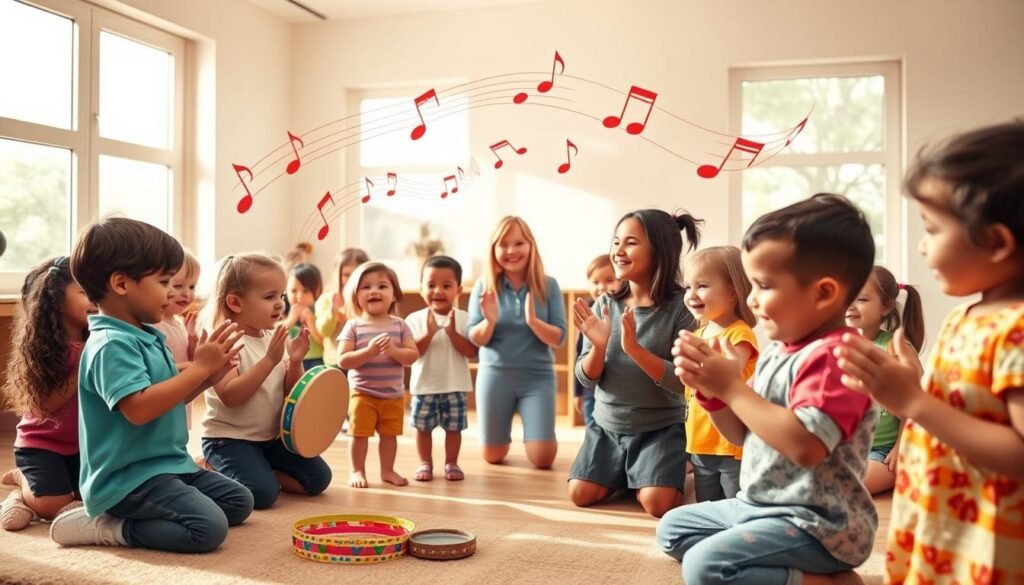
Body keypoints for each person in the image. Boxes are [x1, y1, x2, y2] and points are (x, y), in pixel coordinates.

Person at [836, 121, 1024, 583]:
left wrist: (913, 402)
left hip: (989, 541)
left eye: (933, 229)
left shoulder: (1018, 329)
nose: (922, 246)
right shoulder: (964, 316)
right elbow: (962, 409)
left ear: (997, 242)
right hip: (944, 520)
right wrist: (909, 387)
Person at [661, 193, 879, 585]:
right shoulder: (779, 351)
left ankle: (827, 581)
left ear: (824, 293)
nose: (751, 300)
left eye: (762, 286)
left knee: (704, 567)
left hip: (817, 521)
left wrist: (733, 387)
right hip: (758, 503)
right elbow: (740, 434)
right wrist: (715, 393)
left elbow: (805, 446)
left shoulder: (838, 358)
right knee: (673, 529)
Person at [49, 217, 253, 553]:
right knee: (208, 528)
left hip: (167, 464)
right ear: (121, 283)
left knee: (238, 502)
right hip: (127, 479)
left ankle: (147, 512)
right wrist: (200, 365)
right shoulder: (110, 344)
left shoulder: (147, 336)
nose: (172, 292)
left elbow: (168, 397)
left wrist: (207, 377)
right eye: (164, 282)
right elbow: (140, 409)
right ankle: (109, 526)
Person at [569, 209, 701, 518]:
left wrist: (634, 349)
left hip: (659, 428)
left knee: (658, 505)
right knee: (580, 494)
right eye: (616, 242)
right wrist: (599, 347)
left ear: (660, 251)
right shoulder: (604, 304)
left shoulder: (682, 309)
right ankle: (633, 474)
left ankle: (677, 469)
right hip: (607, 425)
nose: (618, 251)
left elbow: (684, 382)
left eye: (630, 243)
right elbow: (586, 378)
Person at [200, 254, 332, 509]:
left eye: (281, 296)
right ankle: (208, 467)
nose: (280, 304)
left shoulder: (273, 337)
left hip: (270, 439)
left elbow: (290, 394)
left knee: (318, 478)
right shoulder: (225, 342)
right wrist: (269, 361)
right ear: (235, 302)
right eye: (269, 297)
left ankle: (259, 472)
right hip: (229, 440)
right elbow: (230, 396)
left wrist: (294, 362)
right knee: (261, 496)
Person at [0, 257, 95, 530]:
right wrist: (82, 369)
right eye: (84, 292)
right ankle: (23, 483)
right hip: (41, 445)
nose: (95, 299)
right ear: (57, 299)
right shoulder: (43, 348)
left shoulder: (97, 339)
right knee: (54, 507)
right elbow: (45, 405)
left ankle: (34, 488)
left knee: (90, 498)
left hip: (83, 445)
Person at [468, 216, 566, 468]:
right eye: (503, 244)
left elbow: (559, 338)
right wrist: (489, 321)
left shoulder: (549, 285)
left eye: (519, 243)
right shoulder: (484, 286)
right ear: (494, 249)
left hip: (538, 377)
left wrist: (533, 321)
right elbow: (475, 338)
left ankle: (534, 433)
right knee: (492, 456)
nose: (511, 251)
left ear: (531, 245)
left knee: (543, 459)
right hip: (495, 375)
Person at [682, 246, 758, 502]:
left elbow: (731, 371)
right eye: (687, 287)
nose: (691, 294)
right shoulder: (696, 336)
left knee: (734, 502)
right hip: (699, 441)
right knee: (707, 504)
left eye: (701, 285)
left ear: (733, 292)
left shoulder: (740, 333)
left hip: (729, 444)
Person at [844, 265, 924, 494]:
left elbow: (915, 404)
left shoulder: (897, 349)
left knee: (847, 488)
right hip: (844, 449)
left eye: (860, 299)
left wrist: (901, 447)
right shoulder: (838, 346)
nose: (850, 305)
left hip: (883, 451)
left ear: (886, 305)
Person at [338, 262, 419, 488]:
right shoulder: (353, 326)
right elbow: (342, 359)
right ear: (355, 296)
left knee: (389, 436)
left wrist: (393, 351)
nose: (374, 291)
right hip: (362, 393)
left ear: (394, 295)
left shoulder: (400, 326)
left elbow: (412, 355)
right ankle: (357, 471)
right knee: (359, 435)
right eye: (365, 287)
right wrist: (369, 352)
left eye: (382, 286)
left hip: (393, 394)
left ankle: (387, 470)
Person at [406, 255, 478, 482]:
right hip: (423, 386)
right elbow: (410, 355)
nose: (438, 291)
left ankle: (451, 463)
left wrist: (452, 333)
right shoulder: (414, 319)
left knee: (454, 429)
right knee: (422, 429)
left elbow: (471, 352)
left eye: (446, 286)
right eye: (431, 285)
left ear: (458, 290)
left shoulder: (465, 318)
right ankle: (425, 463)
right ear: (420, 289)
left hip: (455, 385)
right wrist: (428, 333)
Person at [154, 249, 202, 428]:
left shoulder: (180, 322)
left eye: (192, 286)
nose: (187, 294)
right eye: (178, 285)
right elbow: (156, 370)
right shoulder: (154, 325)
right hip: (162, 399)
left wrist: (192, 340)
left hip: (181, 397)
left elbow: (191, 359)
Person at [573, 254, 621, 425]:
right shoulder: (586, 310)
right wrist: (577, 392)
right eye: (595, 282)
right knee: (592, 432)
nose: (602, 287)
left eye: (609, 280)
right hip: (589, 390)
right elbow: (579, 353)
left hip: (613, 391)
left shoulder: (625, 309)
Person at [316, 248, 369, 368]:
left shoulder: (367, 299)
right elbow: (324, 331)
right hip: (334, 360)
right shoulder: (326, 299)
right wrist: (332, 312)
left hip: (361, 358)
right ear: (337, 276)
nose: (351, 279)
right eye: (346, 275)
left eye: (356, 274)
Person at [283, 262, 325, 370]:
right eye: (293, 291)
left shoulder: (320, 311)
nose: (299, 296)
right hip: (291, 361)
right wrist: (290, 321)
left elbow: (323, 342)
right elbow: (275, 337)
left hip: (317, 359)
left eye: (305, 291)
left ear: (318, 290)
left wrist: (310, 320)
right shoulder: (282, 312)